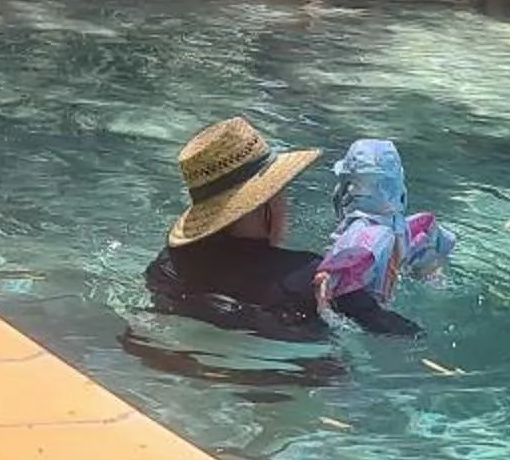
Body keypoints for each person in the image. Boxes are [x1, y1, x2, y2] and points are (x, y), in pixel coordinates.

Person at [143, 118, 421, 341]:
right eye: (281, 193)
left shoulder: (166, 267)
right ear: (265, 203)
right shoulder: (311, 280)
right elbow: (398, 333)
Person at [309, 139, 453, 319]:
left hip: (365, 314)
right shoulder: (406, 230)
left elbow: (328, 284)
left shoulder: (358, 234)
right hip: (393, 309)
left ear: (349, 188)